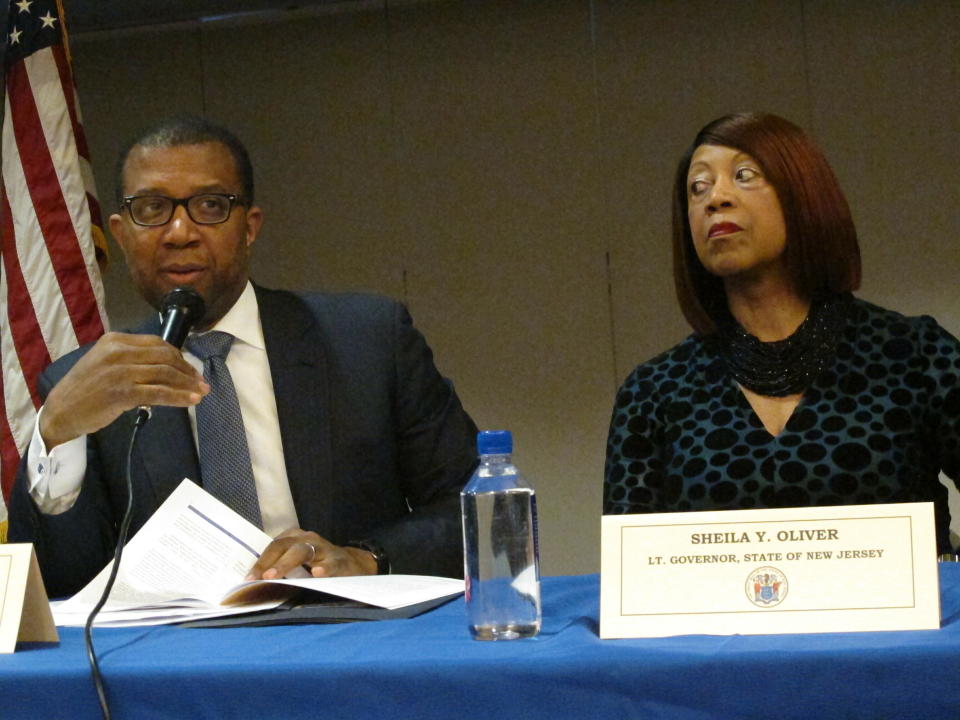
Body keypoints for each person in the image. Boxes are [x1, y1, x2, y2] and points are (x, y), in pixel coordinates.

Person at [8, 115, 478, 597]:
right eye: (151, 209)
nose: (178, 232)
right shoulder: (87, 384)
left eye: (210, 206)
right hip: (178, 659)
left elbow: (477, 509)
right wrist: (56, 433)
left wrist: (365, 558)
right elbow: (60, 583)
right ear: (121, 233)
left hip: (351, 640)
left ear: (250, 227)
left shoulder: (367, 341)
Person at [604, 112, 960, 553]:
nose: (716, 198)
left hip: (907, 624)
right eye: (698, 188)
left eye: (744, 175)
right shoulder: (653, 392)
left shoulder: (914, 355)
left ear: (803, 195)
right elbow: (632, 573)